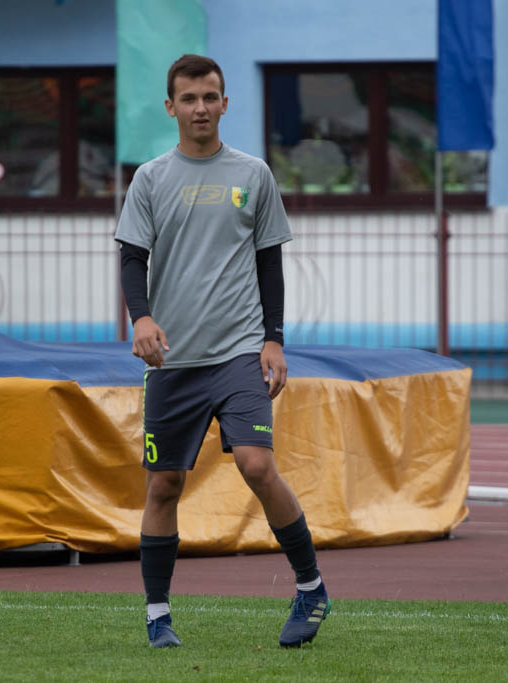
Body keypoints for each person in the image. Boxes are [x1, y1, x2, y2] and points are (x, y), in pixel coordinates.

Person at [115, 54, 329, 649]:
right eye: (188, 98)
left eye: (210, 97)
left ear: (225, 103)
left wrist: (274, 339)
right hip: (173, 360)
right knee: (164, 485)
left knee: (257, 464)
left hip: (238, 352)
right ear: (171, 107)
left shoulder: (253, 174)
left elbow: (269, 263)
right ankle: (158, 615)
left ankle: (311, 587)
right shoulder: (150, 178)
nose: (200, 108)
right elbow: (132, 258)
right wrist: (142, 318)